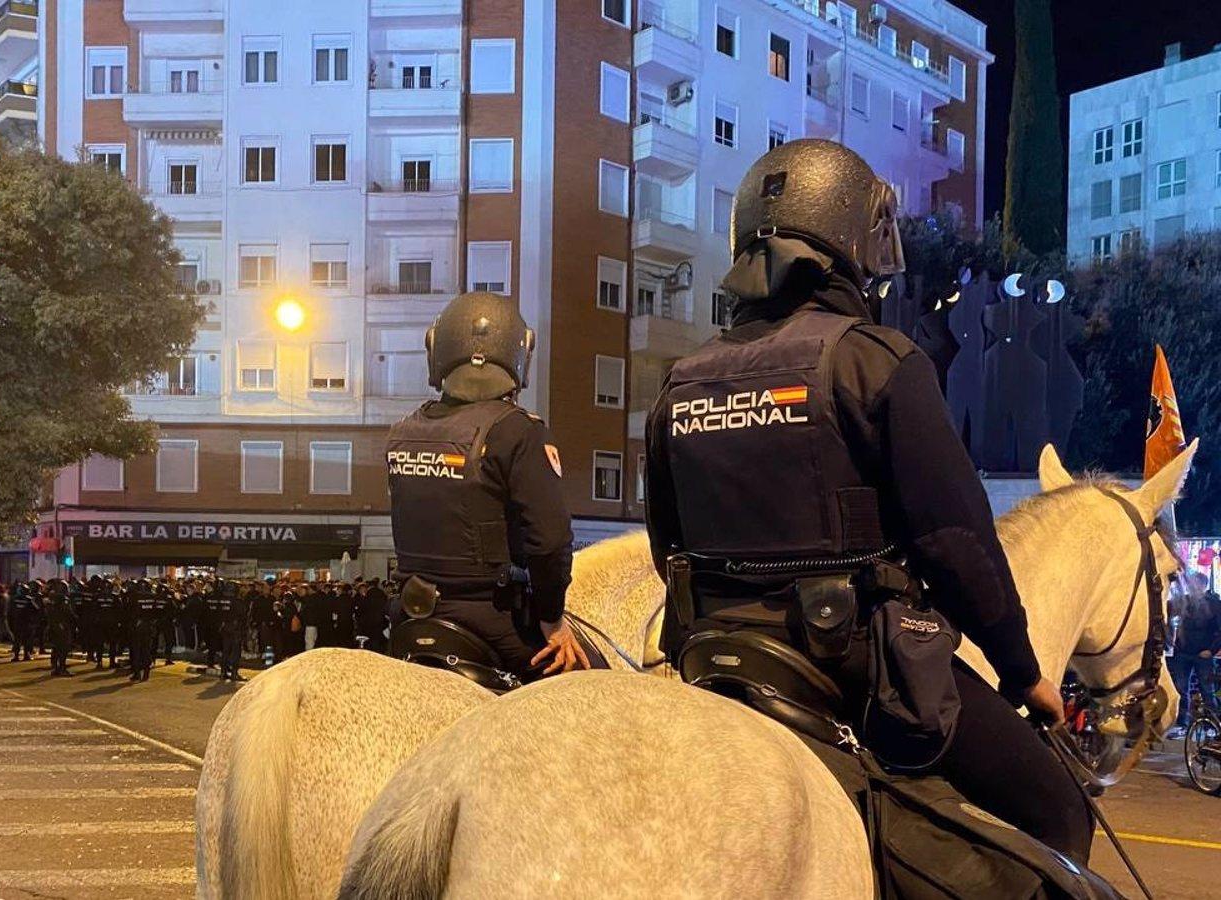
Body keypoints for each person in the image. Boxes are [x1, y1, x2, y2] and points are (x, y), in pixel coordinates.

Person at [642, 139, 1089, 862]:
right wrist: (1022, 671)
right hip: (849, 664)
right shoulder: (876, 361)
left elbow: (666, 545)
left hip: (715, 658)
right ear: (850, 238)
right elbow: (956, 544)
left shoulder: (681, 381)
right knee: (1059, 812)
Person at [386, 291, 590, 680]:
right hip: (491, 620)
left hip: (409, 618)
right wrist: (551, 619)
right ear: (519, 354)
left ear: (436, 350)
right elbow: (550, 542)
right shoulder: (519, 431)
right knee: (593, 686)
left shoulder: (402, 431)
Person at [1170, 575, 1221, 733]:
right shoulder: (1182, 602)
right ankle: (1181, 723)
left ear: (1203, 585)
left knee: (1207, 690)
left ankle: (1211, 725)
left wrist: (1211, 650)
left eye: (1196, 584)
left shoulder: (1214, 604)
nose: (1192, 587)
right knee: (1180, 689)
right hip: (1182, 652)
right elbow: (1171, 617)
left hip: (1203, 653)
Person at [43, 580, 76, 677]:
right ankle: (62, 668)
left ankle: (56, 668)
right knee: (64, 647)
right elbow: (67, 612)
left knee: (56, 647)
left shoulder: (52, 599)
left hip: (53, 625)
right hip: (62, 625)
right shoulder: (63, 599)